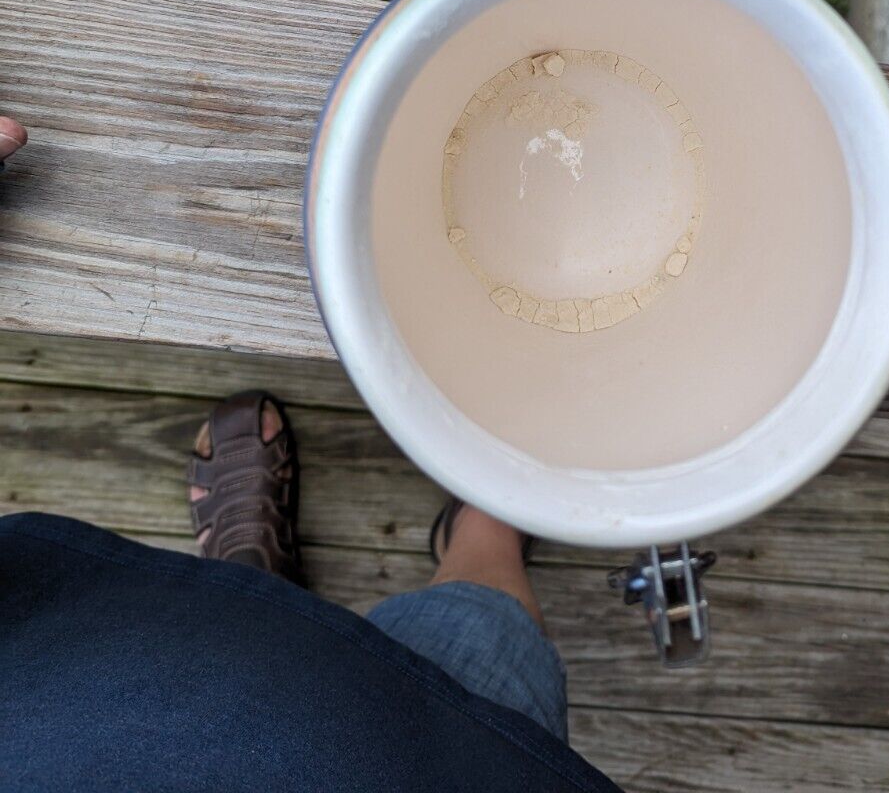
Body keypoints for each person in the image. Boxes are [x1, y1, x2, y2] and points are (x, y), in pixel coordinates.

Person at [0, 120, 620, 792]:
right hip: (411, 767)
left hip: (82, 712)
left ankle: (251, 582)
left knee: (215, 647)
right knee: (476, 632)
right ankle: (488, 519)